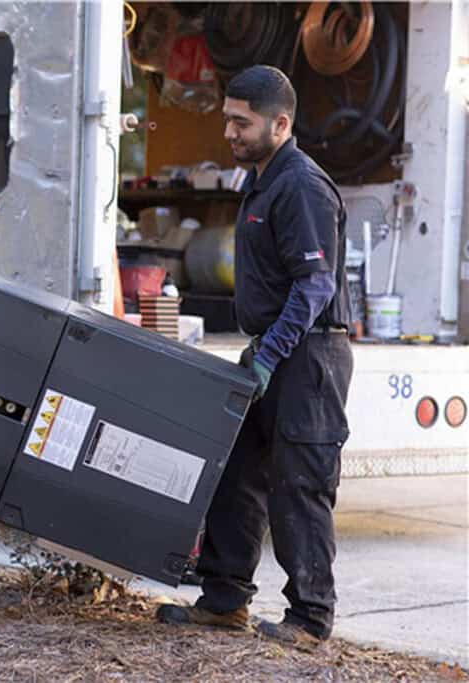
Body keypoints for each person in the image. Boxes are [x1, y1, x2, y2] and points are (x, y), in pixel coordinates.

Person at [157, 65, 353, 648]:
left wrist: (270, 354)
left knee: (300, 485)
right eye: (227, 119)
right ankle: (224, 601)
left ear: (280, 123)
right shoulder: (262, 180)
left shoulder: (301, 186)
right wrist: (259, 353)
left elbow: (314, 285)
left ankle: (311, 619)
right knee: (237, 476)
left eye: (242, 122)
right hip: (271, 350)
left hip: (309, 358)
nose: (230, 133)